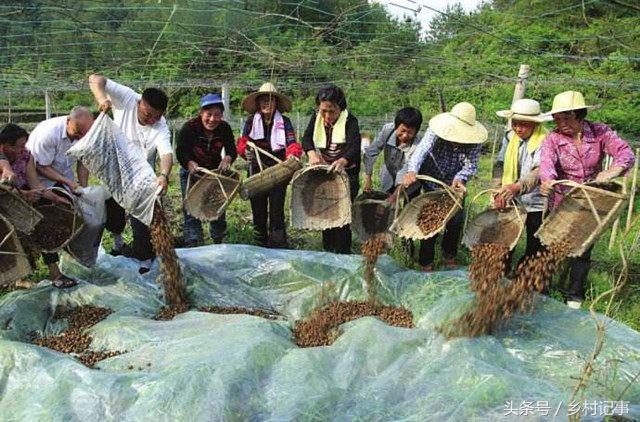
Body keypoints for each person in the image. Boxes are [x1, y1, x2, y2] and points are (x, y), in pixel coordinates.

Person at [539, 90, 635, 309]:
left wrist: (610, 173)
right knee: (553, 246)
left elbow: (626, 153)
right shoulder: (553, 138)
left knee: (582, 249)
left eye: (567, 117)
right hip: (564, 200)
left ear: (580, 115)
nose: (561, 123)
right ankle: (542, 287)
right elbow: (547, 164)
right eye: (557, 118)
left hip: (593, 200)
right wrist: (548, 181)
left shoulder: (600, 132)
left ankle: (574, 296)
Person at [88, 74, 173, 274]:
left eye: (156, 116)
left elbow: (167, 153)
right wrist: (102, 99)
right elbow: (95, 79)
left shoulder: (160, 126)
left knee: (143, 213)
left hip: (142, 171)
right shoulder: (127, 97)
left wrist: (164, 175)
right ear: (139, 103)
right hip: (115, 163)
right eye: (147, 114)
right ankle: (118, 243)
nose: (151, 120)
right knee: (113, 207)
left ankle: (144, 258)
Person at [402, 102, 487, 271]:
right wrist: (412, 171)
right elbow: (422, 151)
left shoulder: (474, 142)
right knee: (431, 218)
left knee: (455, 219)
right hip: (431, 177)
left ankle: (449, 257)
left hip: (454, 184)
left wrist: (460, 179)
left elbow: (470, 166)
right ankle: (426, 261)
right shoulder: (436, 131)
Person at [22, 108, 94, 287]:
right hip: (37, 180)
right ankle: (55, 272)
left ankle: (73, 256)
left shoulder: (85, 133)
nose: (80, 137)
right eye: (77, 132)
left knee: (73, 218)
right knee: (47, 225)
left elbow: (83, 161)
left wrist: (83, 188)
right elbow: (39, 167)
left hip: (62, 177)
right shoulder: (48, 134)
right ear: (68, 121)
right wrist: (66, 185)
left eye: (83, 134)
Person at [237, 82, 302, 248]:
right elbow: (243, 141)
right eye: (264, 100)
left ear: (277, 103)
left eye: (271, 100)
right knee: (258, 210)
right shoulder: (252, 121)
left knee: (276, 210)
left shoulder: (284, 122)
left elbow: (291, 142)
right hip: (257, 171)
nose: (267, 103)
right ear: (258, 103)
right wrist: (246, 150)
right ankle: (259, 245)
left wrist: (292, 156)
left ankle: (278, 246)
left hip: (278, 171)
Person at [301, 84, 361, 254]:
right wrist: (312, 154)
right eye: (323, 111)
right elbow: (306, 139)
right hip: (326, 172)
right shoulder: (317, 118)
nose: (327, 116)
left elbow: (354, 147)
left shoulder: (350, 121)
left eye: (331, 111)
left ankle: (343, 253)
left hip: (347, 173)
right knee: (326, 211)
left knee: (342, 216)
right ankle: (328, 251)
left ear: (340, 108)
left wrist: (342, 160)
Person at [492, 99, 549, 270]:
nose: (518, 129)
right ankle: (501, 274)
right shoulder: (510, 137)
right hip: (512, 199)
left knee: (534, 244)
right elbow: (500, 164)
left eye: (524, 125)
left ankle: (525, 279)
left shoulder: (546, 140)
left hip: (536, 201)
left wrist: (517, 187)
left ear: (534, 123)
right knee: (506, 240)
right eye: (515, 124)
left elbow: (539, 171)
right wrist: (498, 191)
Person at [175, 93, 236, 246]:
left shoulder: (224, 128)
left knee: (217, 206)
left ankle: (218, 240)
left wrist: (227, 159)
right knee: (191, 208)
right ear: (201, 113)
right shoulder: (189, 128)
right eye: (209, 114)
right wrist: (189, 162)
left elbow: (231, 150)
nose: (212, 119)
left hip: (214, 174)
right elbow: (181, 151)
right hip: (192, 173)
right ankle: (193, 242)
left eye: (217, 115)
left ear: (221, 115)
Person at [363, 107, 423, 202]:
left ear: (416, 132)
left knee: (409, 206)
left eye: (410, 132)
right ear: (396, 126)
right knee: (385, 205)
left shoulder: (417, 145)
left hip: (410, 181)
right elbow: (371, 152)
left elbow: (405, 171)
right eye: (403, 131)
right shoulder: (388, 130)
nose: (405, 136)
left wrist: (394, 198)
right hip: (389, 173)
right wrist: (368, 180)